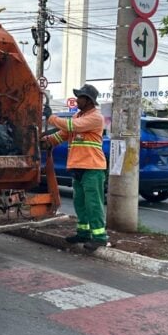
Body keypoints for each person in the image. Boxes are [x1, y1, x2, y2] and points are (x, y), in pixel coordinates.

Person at [42, 84, 108, 251]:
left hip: (92, 168)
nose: (77, 100)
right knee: (80, 203)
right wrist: (45, 141)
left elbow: (72, 126)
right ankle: (83, 233)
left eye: (80, 97)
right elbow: (62, 134)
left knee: (93, 204)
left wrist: (51, 118)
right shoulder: (80, 115)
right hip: (78, 168)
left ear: (88, 100)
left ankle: (99, 237)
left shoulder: (95, 117)